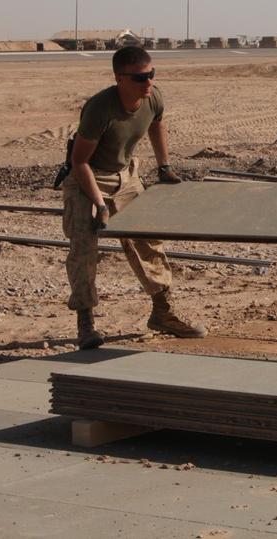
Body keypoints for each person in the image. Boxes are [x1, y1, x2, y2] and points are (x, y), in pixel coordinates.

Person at [61, 46, 206, 349]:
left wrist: (164, 167)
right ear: (120, 79)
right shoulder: (100, 108)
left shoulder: (152, 97)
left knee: (147, 243)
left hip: (126, 176)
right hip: (89, 179)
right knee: (84, 251)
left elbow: (157, 124)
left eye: (151, 74)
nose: (148, 82)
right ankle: (85, 324)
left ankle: (164, 313)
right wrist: (99, 205)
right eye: (140, 77)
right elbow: (80, 161)